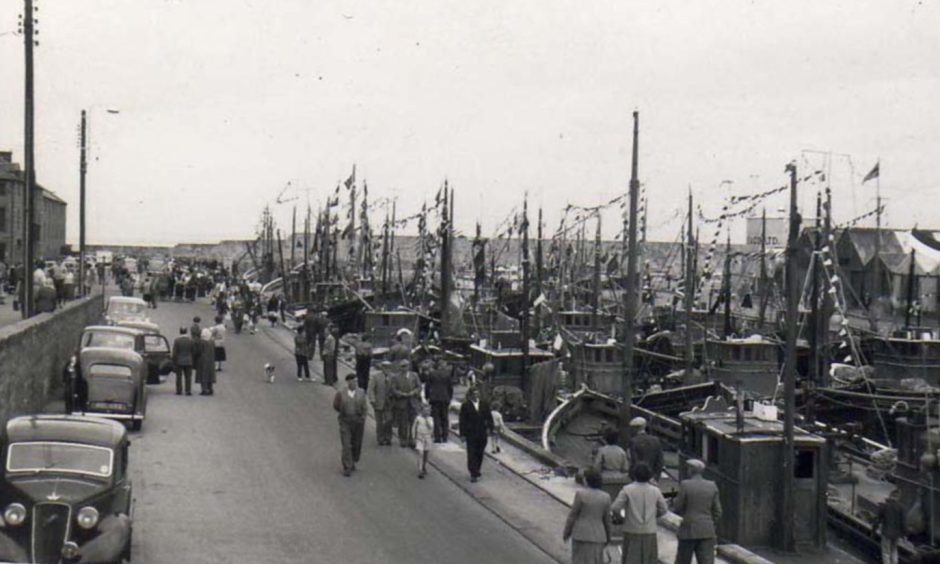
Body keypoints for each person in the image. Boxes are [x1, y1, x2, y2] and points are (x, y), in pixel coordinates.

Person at [610, 463, 667, 564]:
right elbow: (663, 509)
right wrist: (654, 516)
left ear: (634, 475)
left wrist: (621, 518)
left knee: (631, 558)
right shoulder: (655, 491)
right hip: (649, 530)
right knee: (649, 559)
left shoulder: (627, 489)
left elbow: (615, 507)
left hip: (631, 529)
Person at [673, 459, 722, 564]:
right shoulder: (712, 485)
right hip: (707, 529)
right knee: (706, 561)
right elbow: (718, 511)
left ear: (691, 470)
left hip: (688, 529)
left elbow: (677, 506)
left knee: (683, 560)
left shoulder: (685, 484)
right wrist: (710, 523)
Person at [563, 467, 612, 564]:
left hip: (581, 534)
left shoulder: (581, 494)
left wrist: (567, 532)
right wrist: (608, 536)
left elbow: (573, 515)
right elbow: (607, 520)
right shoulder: (606, 497)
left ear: (587, 480)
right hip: (598, 535)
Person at [332, 374, 367, 477]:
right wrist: (344, 413)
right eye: (353, 381)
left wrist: (363, 417)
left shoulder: (361, 392)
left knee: (356, 443)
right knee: (346, 444)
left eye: (356, 381)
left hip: (358, 421)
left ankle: (353, 461)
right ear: (348, 382)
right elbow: (336, 405)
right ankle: (347, 466)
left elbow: (365, 407)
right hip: (345, 421)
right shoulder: (341, 393)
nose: (355, 383)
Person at [458, 386, 493, 483]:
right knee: (472, 453)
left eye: (477, 393)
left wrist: (490, 428)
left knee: (480, 452)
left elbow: (489, 417)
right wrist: (462, 434)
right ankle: (473, 472)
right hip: (471, 433)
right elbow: (462, 420)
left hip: (482, 432)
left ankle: (477, 468)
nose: (476, 395)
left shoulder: (484, 404)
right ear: (470, 395)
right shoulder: (465, 406)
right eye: (474, 394)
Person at [390, 358, 421, 448]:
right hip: (402, 403)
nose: (404, 368)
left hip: (413, 402)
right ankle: (403, 439)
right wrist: (401, 394)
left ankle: (412, 440)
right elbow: (393, 389)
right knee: (403, 423)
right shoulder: (396, 377)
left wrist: (414, 392)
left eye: (406, 366)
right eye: (402, 366)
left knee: (413, 423)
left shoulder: (414, 376)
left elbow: (419, 387)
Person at [873, 489, 906, 564]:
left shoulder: (884, 506)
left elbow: (877, 520)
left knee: (886, 552)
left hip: (886, 533)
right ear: (898, 497)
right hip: (896, 535)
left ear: (890, 496)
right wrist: (904, 535)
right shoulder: (902, 508)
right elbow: (903, 523)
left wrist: (873, 530)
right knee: (894, 551)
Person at [425, 358, 453, 443]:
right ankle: (445, 436)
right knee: (445, 418)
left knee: (436, 418)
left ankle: (437, 437)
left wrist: (427, 396)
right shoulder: (447, 375)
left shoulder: (432, 374)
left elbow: (427, 386)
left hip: (435, 399)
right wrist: (449, 397)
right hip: (445, 399)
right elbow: (450, 388)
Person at [628, 417, 663, 481]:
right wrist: (656, 477)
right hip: (653, 477)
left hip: (639, 477)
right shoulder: (656, 440)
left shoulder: (633, 441)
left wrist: (633, 476)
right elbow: (659, 461)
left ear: (635, 428)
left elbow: (634, 461)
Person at [368, 361, 393, 446]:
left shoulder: (392, 377)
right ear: (382, 368)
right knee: (380, 422)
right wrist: (372, 400)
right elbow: (370, 389)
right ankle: (380, 438)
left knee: (389, 420)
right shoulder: (376, 377)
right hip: (378, 403)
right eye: (385, 367)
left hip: (389, 404)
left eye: (389, 367)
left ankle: (388, 437)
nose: (387, 369)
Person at [412, 402, 434, 479]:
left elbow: (431, 427)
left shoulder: (430, 419)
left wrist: (427, 420)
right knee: (420, 453)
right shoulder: (418, 418)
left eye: (428, 411)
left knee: (426, 454)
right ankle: (420, 469)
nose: (426, 412)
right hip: (420, 437)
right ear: (422, 411)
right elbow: (414, 427)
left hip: (427, 437)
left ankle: (424, 466)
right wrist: (413, 437)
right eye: (425, 410)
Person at [171, 327, 194, 396]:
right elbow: (193, 350)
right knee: (188, 377)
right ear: (186, 332)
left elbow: (175, 352)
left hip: (179, 361)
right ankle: (188, 390)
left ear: (180, 332)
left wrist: (173, 360)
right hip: (189, 360)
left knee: (179, 376)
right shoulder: (190, 340)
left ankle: (179, 390)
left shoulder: (177, 340)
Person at [195, 328, 216, 395]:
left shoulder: (201, 342)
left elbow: (198, 351)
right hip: (211, 360)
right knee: (210, 374)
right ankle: (210, 388)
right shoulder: (212, 342)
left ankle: (204, 389)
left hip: (203, 360)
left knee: (203, 375)